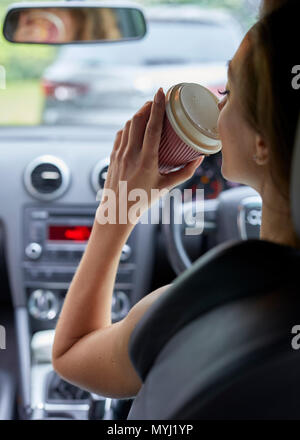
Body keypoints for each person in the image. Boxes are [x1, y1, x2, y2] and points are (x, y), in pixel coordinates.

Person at [52, 0, 300, 399]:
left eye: (231, 90)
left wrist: (116, 212)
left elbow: (70, 353)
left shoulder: (195, 308)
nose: (218, 105)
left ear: (261, 143)